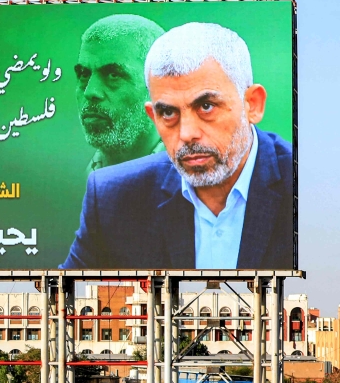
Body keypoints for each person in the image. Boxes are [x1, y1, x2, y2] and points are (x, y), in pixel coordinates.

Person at [62, 22, 293, 270]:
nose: (187, 134)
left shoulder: (306, 189)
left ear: (253, 105)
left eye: (206, 107)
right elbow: (66, 292)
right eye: (169, 113)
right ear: (153, 116)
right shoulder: (113, 199)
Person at [75, 14, 166, 174]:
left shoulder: (197, 183)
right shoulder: (75, 181)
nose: (90, 92)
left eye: (113, 75)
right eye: (84, 74)